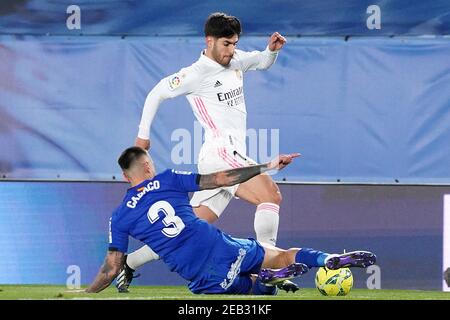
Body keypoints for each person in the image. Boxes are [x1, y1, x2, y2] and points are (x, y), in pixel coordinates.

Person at [120, 11, 294, 292]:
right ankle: (269, 267)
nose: (231, 50)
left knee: (188, 229)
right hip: (220, 151)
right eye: (226, 44)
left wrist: (271, 52)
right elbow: (156, 93)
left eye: (234, 43)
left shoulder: (235, 61)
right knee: (270, 195)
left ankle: (130, 262)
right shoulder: (195, 74)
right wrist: (143, 136)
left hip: (225, 154)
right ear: (209, 40)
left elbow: (261, 61)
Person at [86, 147, 376, 295]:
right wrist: (266, 166)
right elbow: (221, 178)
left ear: (126, 176)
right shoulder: (168, 178)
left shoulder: (120, 215)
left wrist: (88, 293)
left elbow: (111, 269)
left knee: (254, 289)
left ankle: (267, 283)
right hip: (218, 242)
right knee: (282, 255)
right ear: (148, 165)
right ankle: (327, 258)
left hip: (198, 270)